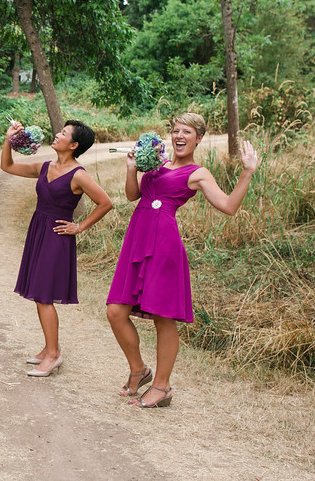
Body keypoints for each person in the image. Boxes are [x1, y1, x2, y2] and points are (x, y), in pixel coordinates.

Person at [106, 112, 258, 407]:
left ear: (198, 139)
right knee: (115, 311)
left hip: (163, 246)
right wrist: (131, 169)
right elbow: (132, 196)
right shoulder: (157, 163)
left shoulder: (198, 173)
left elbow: (228, 207)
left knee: (163, 318)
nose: (179, 136)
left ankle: (162, 387)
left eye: (187, 132)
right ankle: (139, 371)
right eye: (176, 130)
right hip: (137, 240)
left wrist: (247, 172)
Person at [1, 119, 113, 377]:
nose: (56, 134)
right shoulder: (44, 167)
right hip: (38, 230)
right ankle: (50, 347)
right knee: (40, 293)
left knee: (43, 295)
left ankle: (53, 355)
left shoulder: (79, 175)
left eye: (63, 133)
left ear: (73, 145)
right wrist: (9, 140)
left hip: (57, 236)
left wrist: (79, 226)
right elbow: (6, 166)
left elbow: (105, 203)